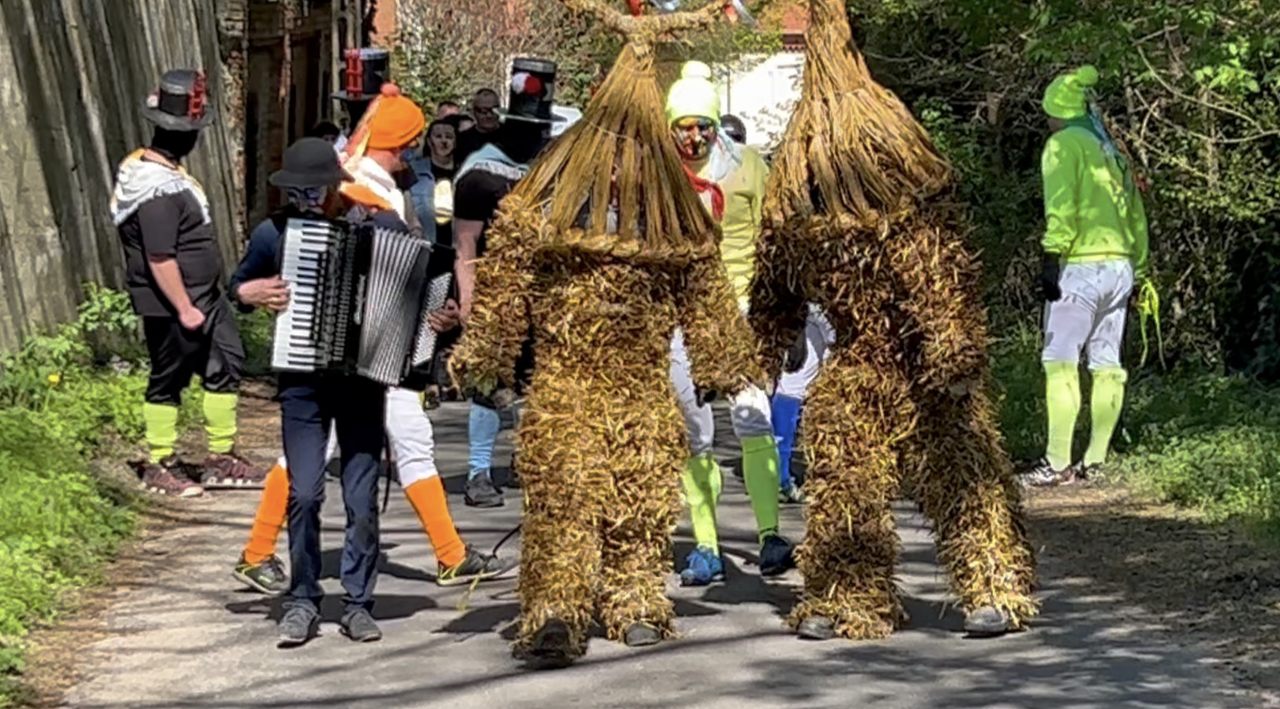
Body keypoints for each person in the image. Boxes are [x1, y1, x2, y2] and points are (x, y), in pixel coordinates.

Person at [229, 83, 510, 598]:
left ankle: (448, 554)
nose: (414, 155)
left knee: (403, 440)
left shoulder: (370, 179)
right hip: (347, 348)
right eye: (409, 145)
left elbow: (410, 269)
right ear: (400, 145)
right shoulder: (356, 186)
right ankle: (258, 552)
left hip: (379, 346)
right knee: (318, 453)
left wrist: (432, 305)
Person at [229, 137, 391, 647]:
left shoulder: (377, 226)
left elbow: (417, 292)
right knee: (303, 492)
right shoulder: (271, 234)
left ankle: (359, 602)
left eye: (313, 192)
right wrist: (248, 293)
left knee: (362, 500)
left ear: (332, 188)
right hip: (302, 383)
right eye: (296, 193)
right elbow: (236, 288)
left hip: (362, 382)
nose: (305, 201)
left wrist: (437, 319)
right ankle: (302, 599)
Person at [664, 61, 794, 586]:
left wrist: (780, 311)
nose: (693, 137)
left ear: (716, 124)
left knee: (752, 416)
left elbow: (775, 233)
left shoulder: (749, 165)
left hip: (739, 307)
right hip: (681, 312)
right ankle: (706, 545)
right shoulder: (659, 173)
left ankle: (769, 536)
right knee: (695, 430)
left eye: (702, 125)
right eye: (683, 126)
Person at [110, 69, 268, 499]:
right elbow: (159, 258)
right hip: (172, 303)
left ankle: (220, 456)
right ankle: (159, 460)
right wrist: (184, 307)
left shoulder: (170, 175)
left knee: (227, 361)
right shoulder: (154, 190)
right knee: (169, 376)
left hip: (205, 297)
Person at [1023, 65, 1150, 487]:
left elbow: (1062, 206)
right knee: (1107, 366)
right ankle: (1094, 461)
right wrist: (1140, 268)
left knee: (1059, 363)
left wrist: (1050, 258)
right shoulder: (1111, 150)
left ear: (1056, 112)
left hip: (1081, 265)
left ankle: (1056, 464)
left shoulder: (1062, 146)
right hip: (1121, 266)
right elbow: (1136, 214)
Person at [453, 62, 567, 509]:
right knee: (487, 381)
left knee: (543, 379)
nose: (534, 135)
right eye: (527, 126)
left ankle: (531, 461)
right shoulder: (480, 173)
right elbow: (465, 244)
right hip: (497, 292)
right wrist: (469, 301)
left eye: (540, 127)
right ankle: (480, 471)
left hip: (549, 292)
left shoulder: (556, 167)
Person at [408, 117, 462, 408]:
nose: (443, 141)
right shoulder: (417, 173)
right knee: (428, 312)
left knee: (454, 313)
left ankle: (449, 374)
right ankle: (426, 377)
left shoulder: (465, 173)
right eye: (438, 136)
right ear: (429, 142)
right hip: (429, 249)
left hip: (457, 251)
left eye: (449, 137)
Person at [455, 88, 503, 163]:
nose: (489, 115)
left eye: (494, 110)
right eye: (483, 111)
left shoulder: (512, 137)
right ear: (473, 112)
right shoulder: (462, 141)